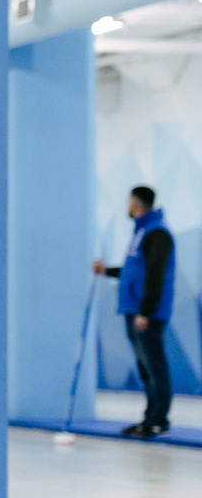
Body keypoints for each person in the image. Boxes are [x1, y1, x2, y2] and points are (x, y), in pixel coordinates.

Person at [96, 187, 177, 438]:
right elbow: (135, 270)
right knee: (146, 368)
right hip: (134, 310)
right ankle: (149, 418)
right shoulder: (141, 232)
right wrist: (107, 271)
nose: (127, 205)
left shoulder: (157, 233)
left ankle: (158, 420)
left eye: (129, 201)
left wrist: (146, 311)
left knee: (155, 367)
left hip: (147, 314)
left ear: (136, 202)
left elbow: (155, 275)